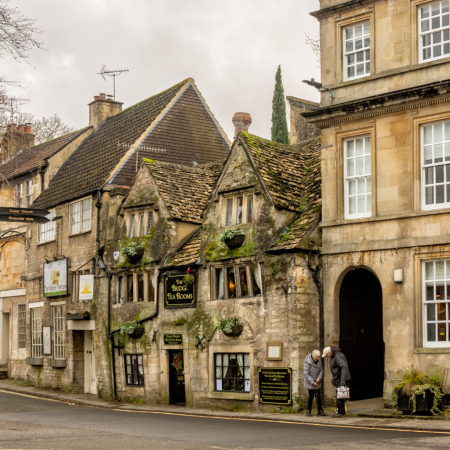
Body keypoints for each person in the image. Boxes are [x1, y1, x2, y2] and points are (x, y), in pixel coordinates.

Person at [322, 346, 351, 418]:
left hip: (341, 379)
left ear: (329, 353)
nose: (326, 357)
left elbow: (344, 367)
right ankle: (341, 411)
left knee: (340, 396)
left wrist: (342, 381)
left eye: (326, 355)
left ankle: (341, 413)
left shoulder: (337, 356)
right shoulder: (334, 355)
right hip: (339, 379)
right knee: (340, 396)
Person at [303, 349, 326, 417]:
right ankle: (308, 411)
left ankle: (320, 410)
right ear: (313, 356)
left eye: (318, 357)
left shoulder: (319, 360)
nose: (318, 358)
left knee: (318, 396)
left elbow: (321, 370)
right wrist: (312, 382)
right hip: (310, 381)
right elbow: (306, 373)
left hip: (317, 381)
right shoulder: (308, 362)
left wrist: (319, 378)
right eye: (316, 357)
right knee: (311, 396)